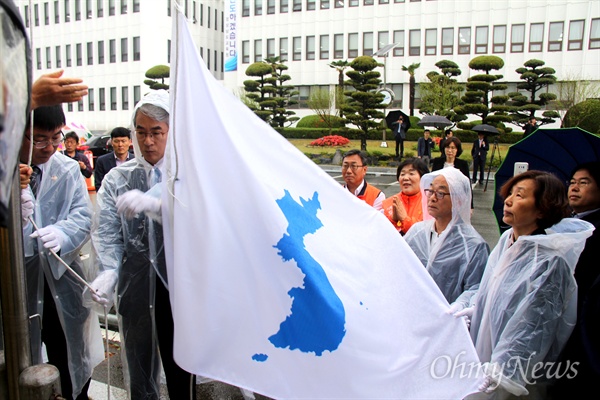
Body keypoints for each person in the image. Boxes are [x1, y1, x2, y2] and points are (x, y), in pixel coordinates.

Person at [89, 90, 197, 400]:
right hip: (134, 287)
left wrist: (160, 204)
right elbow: (107, 230)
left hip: (179, 290)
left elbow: (202, 222)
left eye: (156, 132)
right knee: (138, 366)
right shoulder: (117, 178)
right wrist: (108, 270)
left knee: (181, 369)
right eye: (141, 132)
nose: (148, 141)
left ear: (170, 132)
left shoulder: (186, 176)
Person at [463, 171, 593, 399]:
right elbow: (490, 294)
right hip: (481, 361)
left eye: (520, 195)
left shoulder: (550, 262)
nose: (509, 200)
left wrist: (501, 374)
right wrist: (473, 310)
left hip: (512, 380)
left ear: (543, 208)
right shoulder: (508, 241)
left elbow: (533, 331)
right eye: (510, 193)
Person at [18, 105, 103, 400]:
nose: (50, 146)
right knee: (22, 354)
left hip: (62, 276)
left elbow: (83, 215)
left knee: (69, 349)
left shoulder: (66, 168)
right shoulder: (8, 174)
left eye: (56, 137)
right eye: (39, 139)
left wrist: (62, 233)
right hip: (19, 285)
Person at [550, 161, 600, 396]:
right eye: (572, 182)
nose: (574, 188)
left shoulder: (594, 229)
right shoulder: (566, 221)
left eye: (584, 182)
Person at [404, 168, 488, 306]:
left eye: (440, 193)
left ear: (459, 200)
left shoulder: (473, 246)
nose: (432, 197)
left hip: (448, 319)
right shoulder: (417, 232)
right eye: (430, 191)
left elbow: (475, 289)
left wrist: (459, 306)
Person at [381, 158, 428, 235]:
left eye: (411, 174)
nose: (405, 178)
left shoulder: (430, 203)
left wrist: (404, 219)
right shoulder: (388, 203)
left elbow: (425, 234)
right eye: (402, 174)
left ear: (423, 178)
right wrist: (393, 220)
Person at [94, 127, 133, 191]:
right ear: (112, 142)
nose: (120, 145)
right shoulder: (102, 161)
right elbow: (99, 186)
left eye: (123, 141)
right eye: (116, 141)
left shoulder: (136, 161)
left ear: (129, 142)